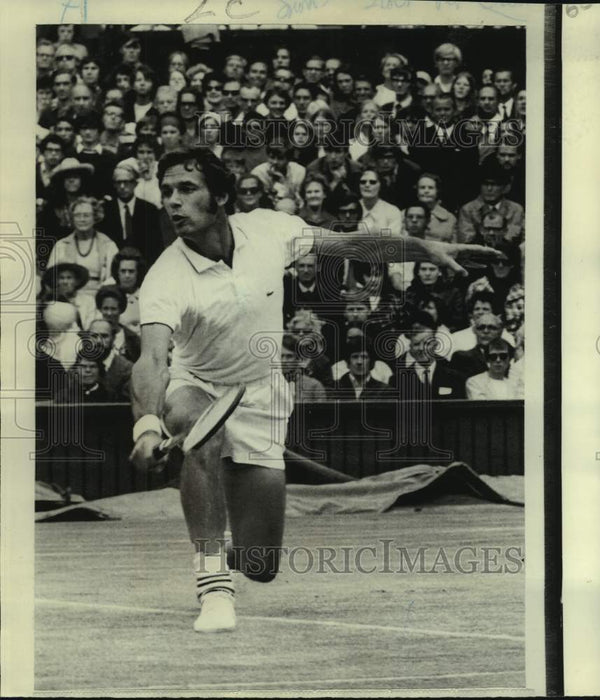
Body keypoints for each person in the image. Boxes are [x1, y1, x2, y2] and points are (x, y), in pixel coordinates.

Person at [128, 147, 502, 633]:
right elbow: (152, 359)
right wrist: (145, 425)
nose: (173, 202)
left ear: (220, 196)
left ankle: (232, 550)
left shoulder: (267, 228)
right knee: (194, 429)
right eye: (168, 192)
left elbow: (349, 245)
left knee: (261, 565)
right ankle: (212, 582)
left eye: (187, 189)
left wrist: (424, 247)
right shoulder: (165, 276)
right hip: (196, 384)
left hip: (261, 396)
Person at [46, 196, 119, 297]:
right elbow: (50, 277)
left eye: (86, 215)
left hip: (100, 298)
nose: (82, 219)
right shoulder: (61, 245)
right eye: (77, 215)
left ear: (95, 217)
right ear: (72, 218)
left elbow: (114, 277)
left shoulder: (108, 245)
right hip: (68, 298)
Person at [390, 312, 465, 399]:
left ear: (435, 345)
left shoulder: (455, 378)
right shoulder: (397, 380)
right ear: (410, 347)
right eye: (416, 344)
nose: (421, 348)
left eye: (427, 343)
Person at [102, 162, 164, 264]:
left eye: (126, 182)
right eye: (118, 182)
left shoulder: (149, 210)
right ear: (114, 185)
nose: (122, 186)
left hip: (144, 264)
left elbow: (156, 244)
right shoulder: (106, 209)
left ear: (135, 184)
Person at [457, 159, 525, 244]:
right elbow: (466, 239)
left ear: (505, 188)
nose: (489, 189)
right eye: (485, 184)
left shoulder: (515, 209)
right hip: (477, 254)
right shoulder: (468, 209)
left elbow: (513, 236)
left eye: (494, 184)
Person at [329, 336, 391, 401]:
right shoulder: (334, 389)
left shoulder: (383, 391)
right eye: (355, 357)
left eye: (364, 357)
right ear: (348, 362)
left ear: (371, 362)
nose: (359, 362)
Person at [40, 262, 96, 330]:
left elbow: (90, 325)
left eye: (69, 278)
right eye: (61, 278)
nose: (65, 282)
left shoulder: (88, 301)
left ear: (77, 281)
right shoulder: (50, 301)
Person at [89, 318, 132, 400]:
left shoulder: (127, 370)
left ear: (113, 338)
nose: (98, 341)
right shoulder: (78, 367)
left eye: (104, 336)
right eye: (94, 336)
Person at [95, 286, 141, 362]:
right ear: (100, 309)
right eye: (105, 308)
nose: (109, 313)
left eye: (113, 309)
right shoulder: (91, 334)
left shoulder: (132, 338)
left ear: (121, 309)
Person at [281, 334, 327, 404]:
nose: (283, 361)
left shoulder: (314, 386)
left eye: (289, 356)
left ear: (298, 359)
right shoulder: (268, 384)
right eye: (281, 356)